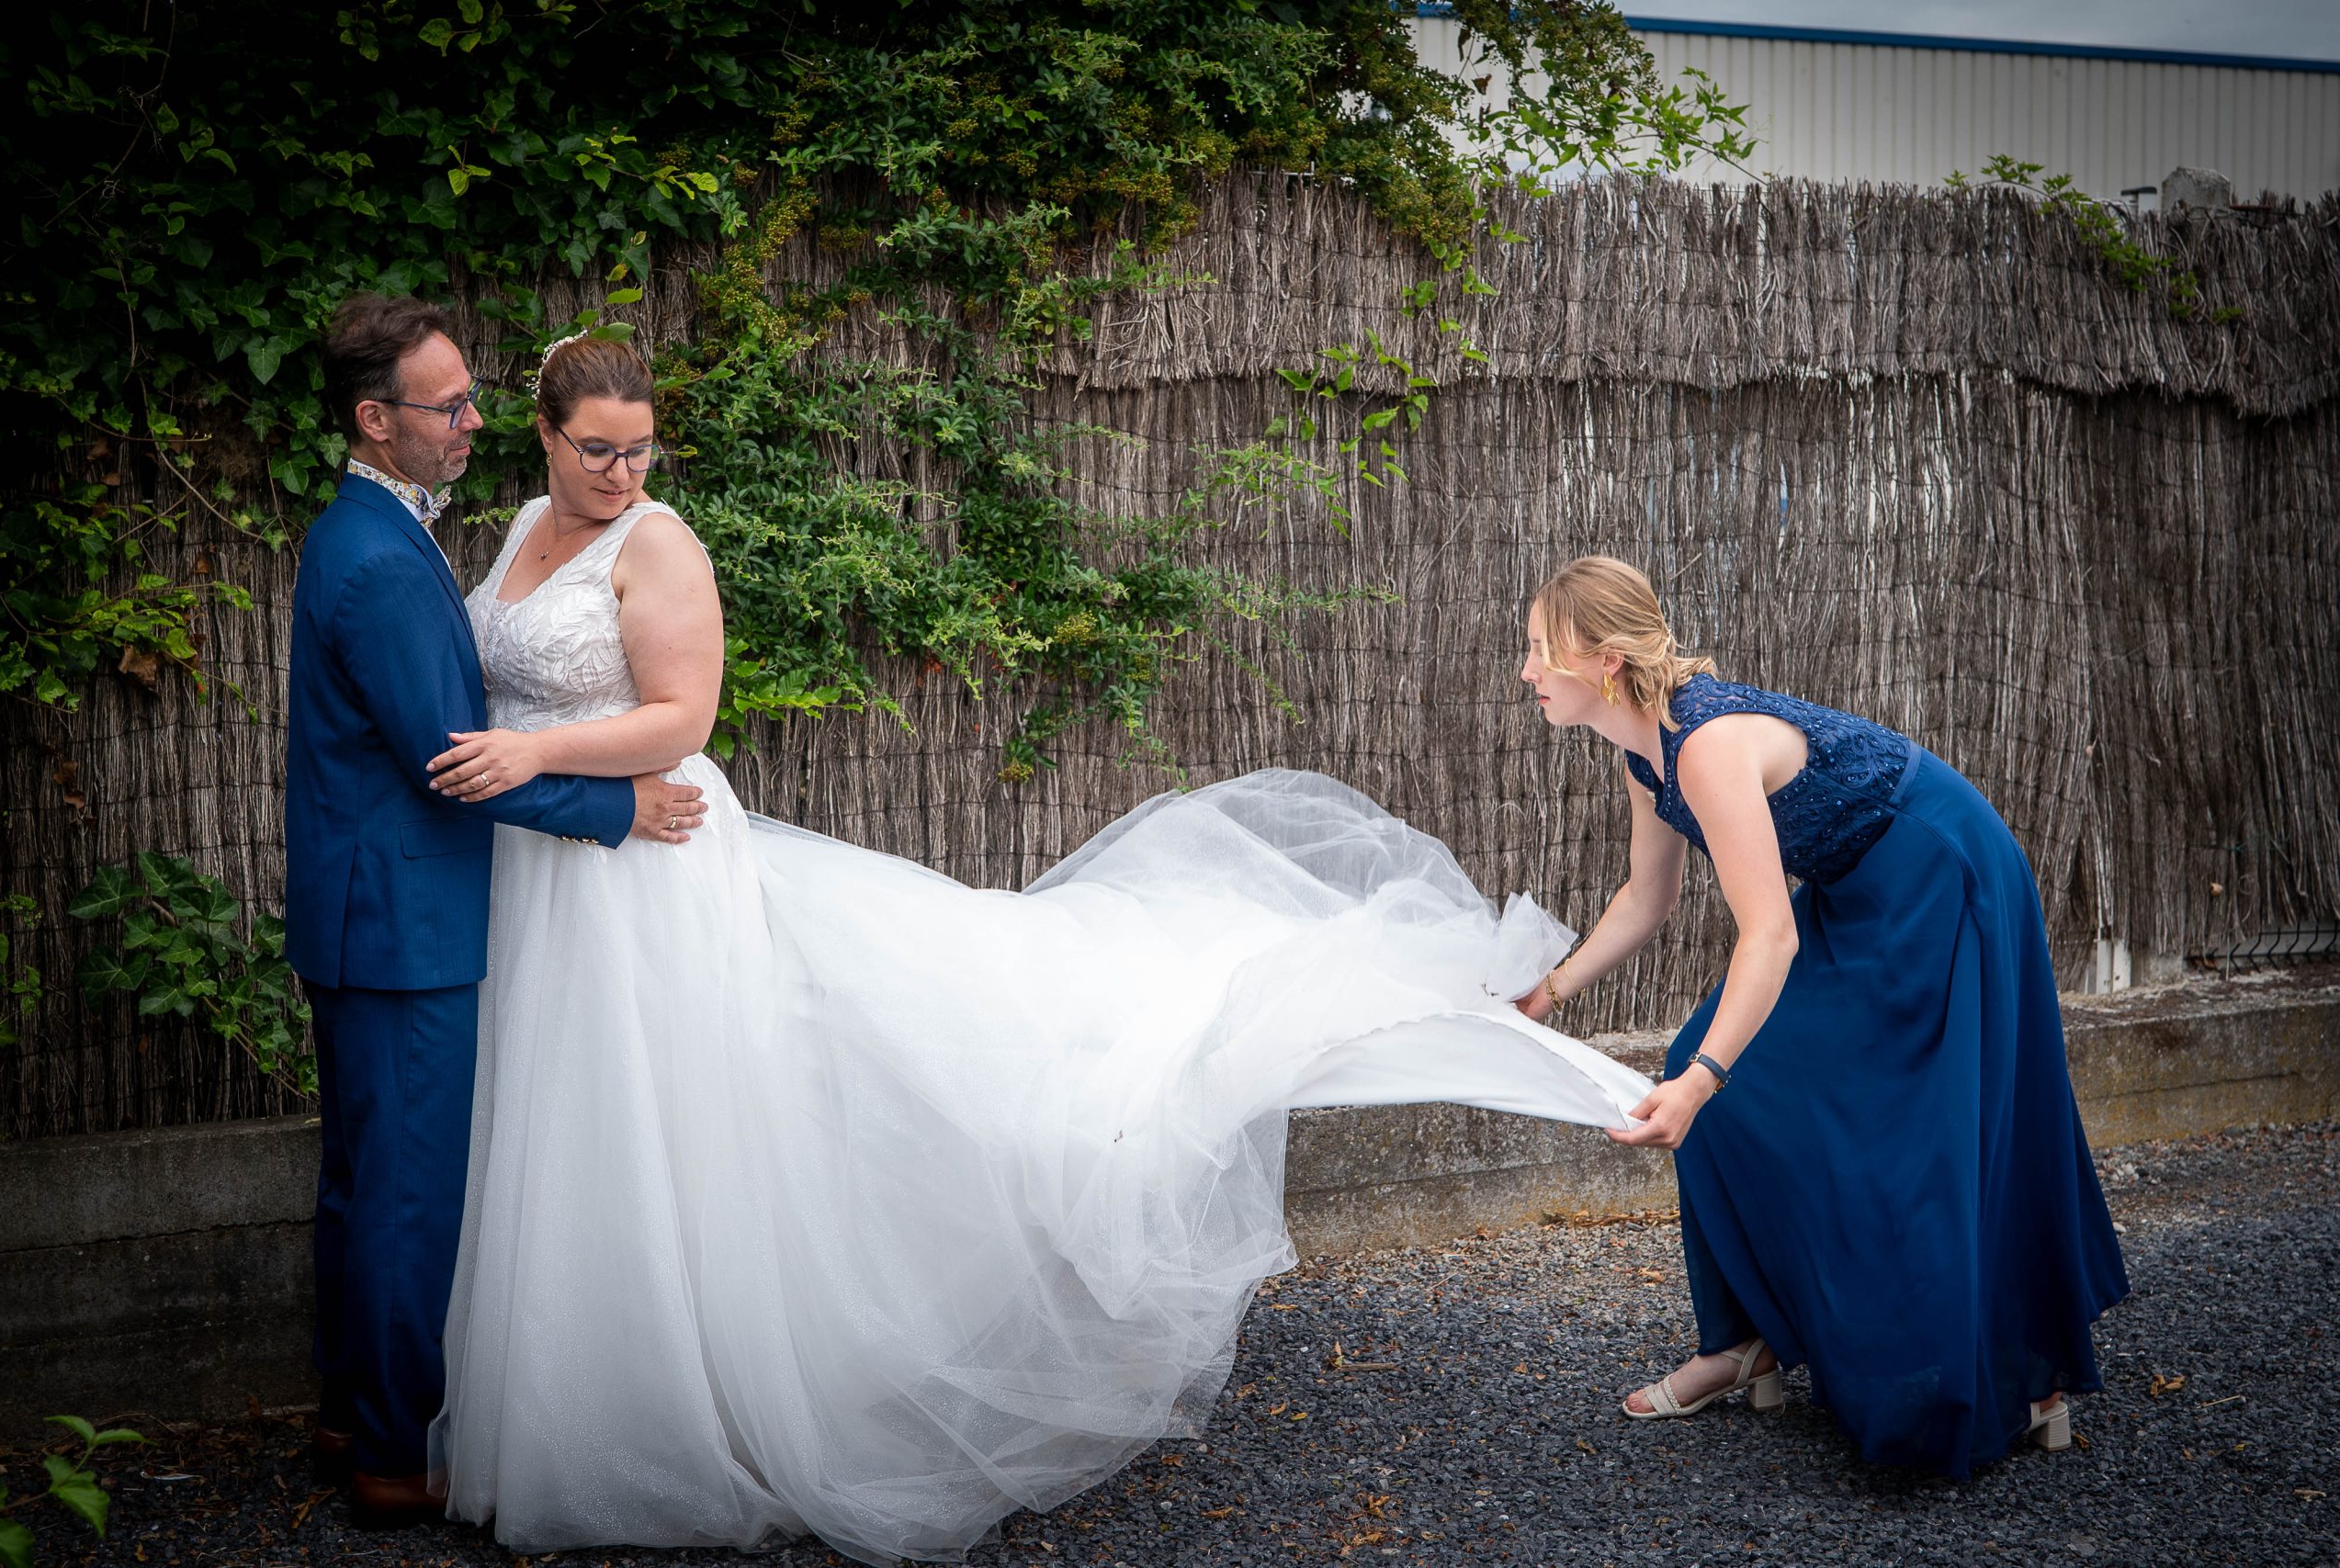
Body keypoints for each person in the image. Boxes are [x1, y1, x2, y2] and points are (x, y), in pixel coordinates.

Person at [415, 332, 1654, 1562]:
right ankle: (587, 1397)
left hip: (644, 861)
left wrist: (533, 753)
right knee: (574, 1126)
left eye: (641, 448)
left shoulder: (660, 540)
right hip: (545, 868)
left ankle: (694, 1410)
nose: (624, 472)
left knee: (689, 1118)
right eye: (598, 451)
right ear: (544, 431)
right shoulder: (527, 520)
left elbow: (681, 717)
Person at [1512, 555, 2129, 1475]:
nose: (1524, 672)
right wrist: (1547, 993)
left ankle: (2022, 1370)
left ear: (1602, 661)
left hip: (1939, 869)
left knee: (1915, 1132)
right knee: (1704, 1073)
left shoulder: (1707, 745)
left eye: (1536, 651)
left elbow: (1768, 940)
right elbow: (1646, 899)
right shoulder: (1643, 751)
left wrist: (1703, 1081)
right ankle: (1743, 1343)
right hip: (1858, 883)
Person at [283, 296, 708, 1528]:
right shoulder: (379, 560)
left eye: (473, 395)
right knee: (405, 1186)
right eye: (447, 402)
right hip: (403, 915)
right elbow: (452, 756)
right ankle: (391, 1450)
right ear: (378, 420)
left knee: (364, 1175)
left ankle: (346, 1403)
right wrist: (615, 812)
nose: (469, 416)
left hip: (372, 905)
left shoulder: (368, 532)